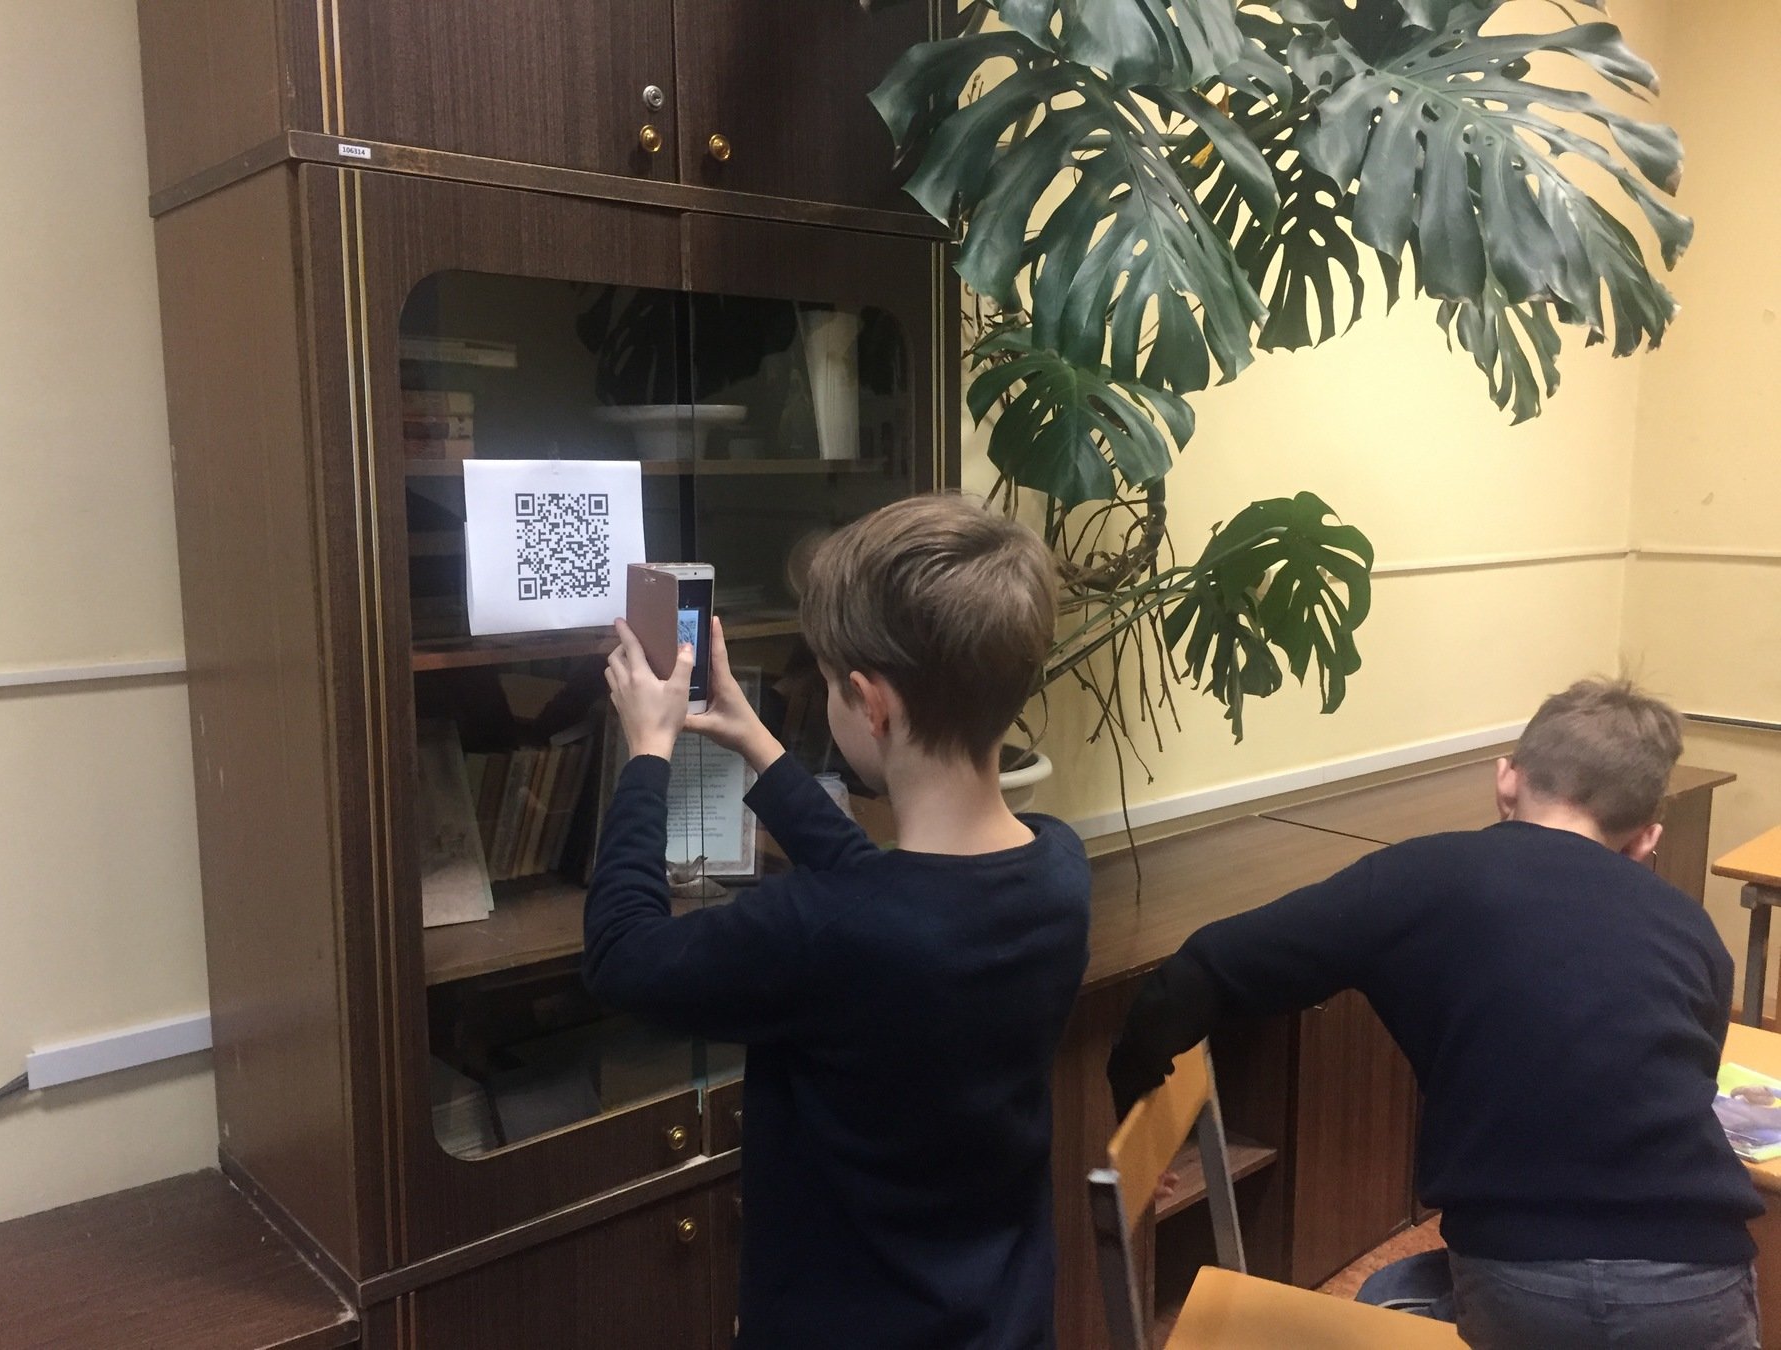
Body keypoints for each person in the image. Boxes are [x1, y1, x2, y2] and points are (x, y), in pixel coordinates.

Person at [1106, 679, 1763, 1349]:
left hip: (1521, 1274)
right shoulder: (1693, 929)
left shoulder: (1419, 878)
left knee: (1400, 1295)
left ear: (1506, 780)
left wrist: (1133, 1102)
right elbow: (1691, 1080)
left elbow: (1202, 972)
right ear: (1646, 839)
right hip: (1702, 1278)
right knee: (1395, 1290)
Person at [585, 494, 1092, 1350]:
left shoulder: (822, 931)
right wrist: (758, 744)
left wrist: (647, 754)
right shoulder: (1057, 866)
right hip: (1001, 1321)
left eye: (825, 683)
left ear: (869, 702)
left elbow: (622, 954)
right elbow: (892, 896)